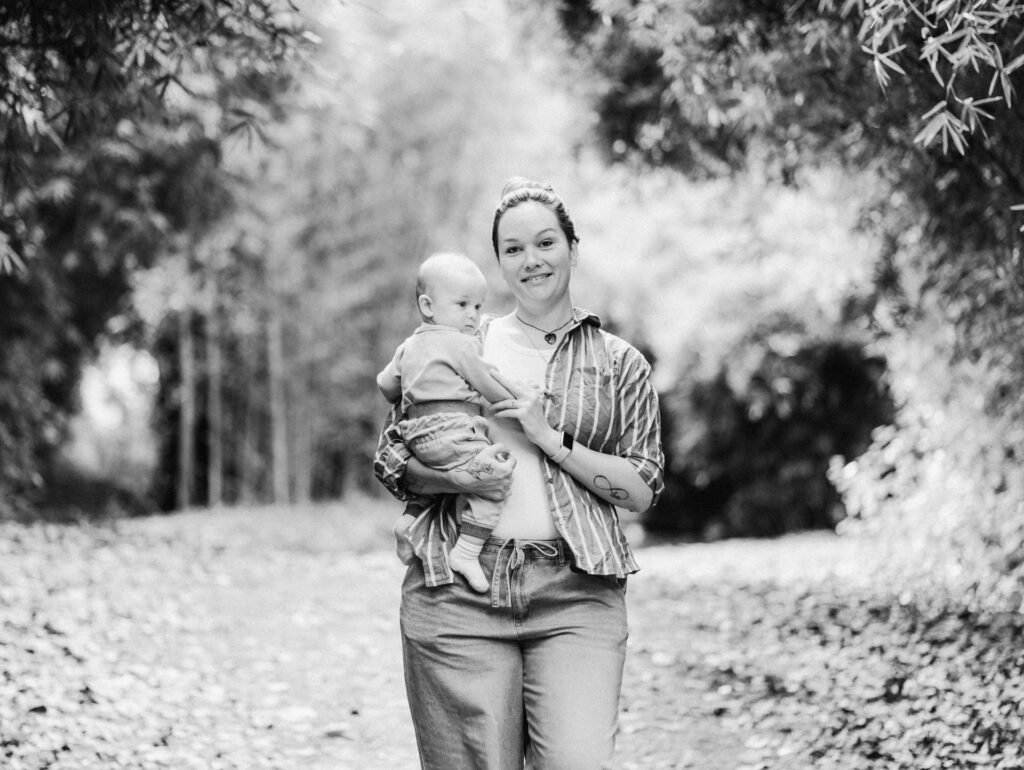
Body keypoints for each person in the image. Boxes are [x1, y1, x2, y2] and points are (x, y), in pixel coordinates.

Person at [374, 177, 664, 770]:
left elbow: (641, 488)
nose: (531, 260)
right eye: (513, 248)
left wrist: (550, 437)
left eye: (545, 242)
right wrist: (462, 482)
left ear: (572, 248)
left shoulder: (619, 362)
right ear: (500, 262)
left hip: (576, 592)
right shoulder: (458, 341)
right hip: (459, 592)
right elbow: (392, 459)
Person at [376, 252, 514, 592]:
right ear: (428, 305)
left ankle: (409, 521)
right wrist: (519, 400)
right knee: (493, 481)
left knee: (435, 487)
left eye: (478, 307)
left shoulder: (408, 346)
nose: (473, 316)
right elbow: (489, 385)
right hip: (455, 431)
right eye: (463, 304)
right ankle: (467, 552)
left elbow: (385, 384)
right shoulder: (463, 344)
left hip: (413, 435)